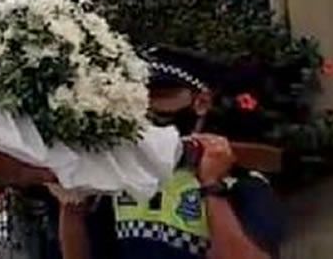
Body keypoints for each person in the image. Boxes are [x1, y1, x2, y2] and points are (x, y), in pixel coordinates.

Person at [53, 48, 286, 259]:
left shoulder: (239, 180)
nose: (147, 106)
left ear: (202, 102)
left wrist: (212, 187)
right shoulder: (125, 179)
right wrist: (71, 208)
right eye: (139, 96)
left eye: (161, 95)